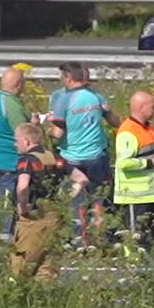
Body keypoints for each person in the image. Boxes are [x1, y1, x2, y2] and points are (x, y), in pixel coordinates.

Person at [46, 63, 119, 248]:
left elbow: (58, 133)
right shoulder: (96, 97)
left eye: (63, 77)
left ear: (69, 77)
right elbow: (115, 122)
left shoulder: (63, 99)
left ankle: (82, 242)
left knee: (77, 202)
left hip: (73, 158)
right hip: (97, 155)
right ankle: (101, 240)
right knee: (98, 200)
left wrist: (44, 130)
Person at [113, 90, 154, 261]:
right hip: (135, 196)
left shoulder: (149, 128)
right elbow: (123, 163)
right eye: (152, 107)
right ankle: (133, 269)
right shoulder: (128, 131)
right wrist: (151, 163)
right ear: (141, 107)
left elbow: (150, 155)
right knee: (136, 236)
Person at [9, 121, 65, 281]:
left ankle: (18, 302)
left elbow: (23, 186)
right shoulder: (54, 157)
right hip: (54, 214)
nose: (15, 145)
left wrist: (23, 207)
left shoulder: (26, 160)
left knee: (21, 265)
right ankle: (45, 301)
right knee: (47, 267)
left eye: (17, 140)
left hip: (33, 217)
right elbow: (79, 179)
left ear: (26, 141)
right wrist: (65, 200)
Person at [0, 66, 28, 242]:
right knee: (8, 199)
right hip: (9, 158)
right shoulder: (12, 103)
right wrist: (33, 124)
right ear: (18, 84)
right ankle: (4, 236)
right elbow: (22, 132)